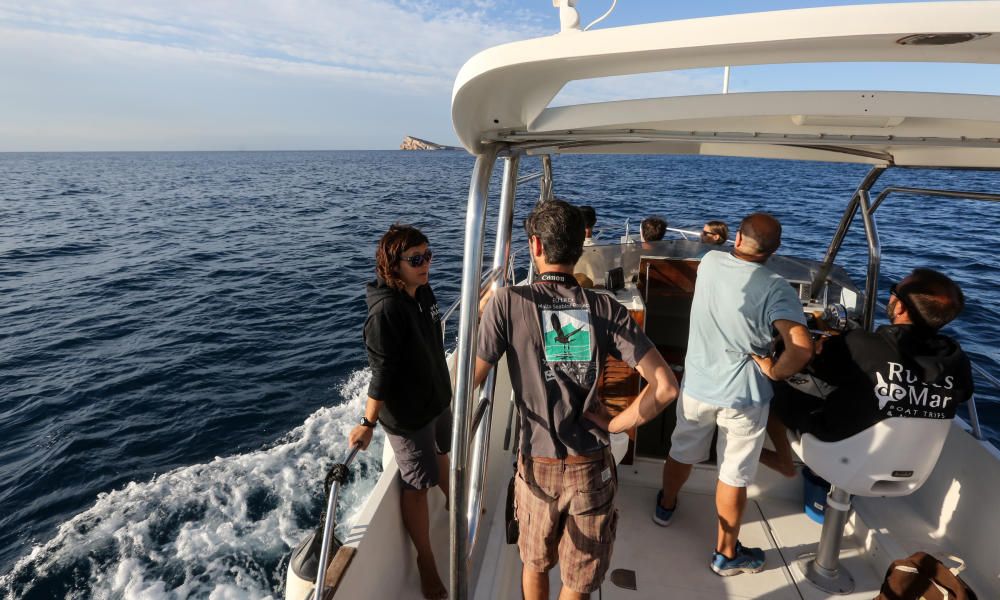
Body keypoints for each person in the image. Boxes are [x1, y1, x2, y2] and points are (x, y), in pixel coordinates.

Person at [474, 199, 679, 600]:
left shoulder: (507, 304)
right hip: (590, 466)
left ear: (535, 246)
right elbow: (666, 387)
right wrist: (618, 424)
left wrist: (485, 311)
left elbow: (473, 378)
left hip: (537, 466)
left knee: (535, 563)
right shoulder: (606, 307)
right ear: (580, 246)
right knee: (578, 582)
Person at [655, 213, 813, 577]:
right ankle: (726, 554)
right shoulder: (778, 287)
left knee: (682, 450)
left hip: (697, 386)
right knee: (733, 474)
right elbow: (802, 348)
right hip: (745, 397)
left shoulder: (709, 262)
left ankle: (665, 506)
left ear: (738, 239)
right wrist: (774, 369)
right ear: (775, 250)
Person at [760, 268, 975, 477]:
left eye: (894, 291)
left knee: (773, 384)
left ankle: (782, 461)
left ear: (900, 308)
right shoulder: (958, 360)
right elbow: (962, 392)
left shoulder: (861, 345)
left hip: (840, 449)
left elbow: (807, 364)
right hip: (911, 463)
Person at [349, 224, 452, 599]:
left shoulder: (423, 292)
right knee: (416, 486)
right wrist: (366, 423)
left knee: (444, 453)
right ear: (394, 264)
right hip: (409, 415)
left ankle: (457, 506)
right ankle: (426, 561)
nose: (425, 265)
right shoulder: (386, 313)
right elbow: (382, 372)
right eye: (416, 259)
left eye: (428, 256)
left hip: (437, 400)